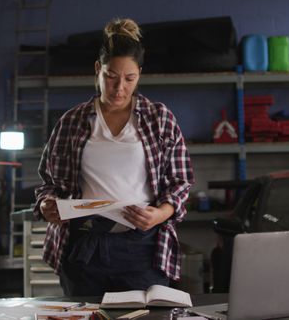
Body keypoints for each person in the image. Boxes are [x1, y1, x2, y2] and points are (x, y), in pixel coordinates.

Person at [34, 18, 194, 296]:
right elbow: (48, 183)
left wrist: (159, 215)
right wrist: (47, 204)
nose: (119, 87)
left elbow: (180, 182)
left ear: (139, 75)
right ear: (98, 70)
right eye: (111, 76)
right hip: (84, 249)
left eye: (129, 79)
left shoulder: (159, 119)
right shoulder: (72, 121)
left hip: (143, 249)